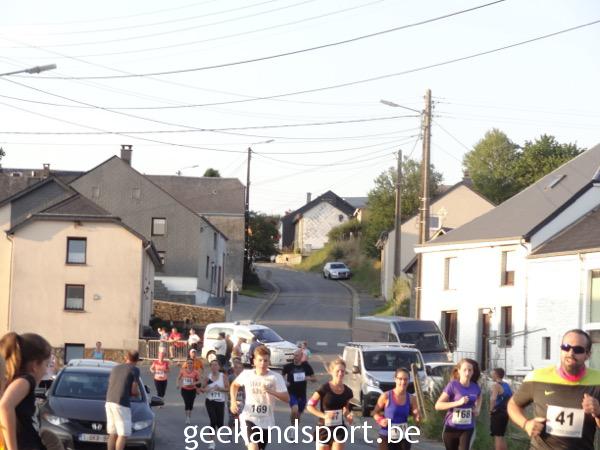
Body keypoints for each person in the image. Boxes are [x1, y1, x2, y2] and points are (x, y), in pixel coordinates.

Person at [508, 329, 600, 450]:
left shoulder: (597, 380)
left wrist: (598, 412)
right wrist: (526, 424)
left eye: (578, 349)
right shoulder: (537, 377)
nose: (570, 353)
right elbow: (513, 404)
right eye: (566, 347)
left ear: (588, 354)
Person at [230, 345, 289, 450]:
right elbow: (234, 385)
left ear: (269, 361)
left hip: (266, 420)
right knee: (253, 447)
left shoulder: (275, 377)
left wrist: (272, 392)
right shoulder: (247, 374)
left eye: (265, 360)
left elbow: (286, 398)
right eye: (260, 360)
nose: (263, 363)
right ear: (254, 361)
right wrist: (233, 402)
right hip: (249, 417)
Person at [0, 332, 52, 450]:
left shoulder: (13, 380)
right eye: (46, 364)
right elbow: (5, 406)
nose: (46, 371)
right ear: (35, 365)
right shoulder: (26, 380)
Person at [306, 358, 354, 450]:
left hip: (339, 428)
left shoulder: (348, 391)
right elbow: (310, 406)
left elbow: (346, 409)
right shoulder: (324, 389)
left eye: (342, 371)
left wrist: (348, 416)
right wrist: (324, 416)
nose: (340, 373)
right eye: (337, 371)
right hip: (324, 428)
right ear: (331, 372)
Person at [435, 358, 481, 450]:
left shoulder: (475, 387)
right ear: (459, 371)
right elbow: (438, 405)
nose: (467, 373)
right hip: (451, 427)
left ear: (473, 372)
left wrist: (477, 409)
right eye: (464, 370)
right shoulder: (452, 385)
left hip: (467, 428)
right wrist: (458, 403)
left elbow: (479, 397)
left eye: (470, 370)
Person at [373, 367, 420, 450]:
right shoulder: (386, 396)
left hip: (404, 436)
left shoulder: (412, 398)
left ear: (409, 380)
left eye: (405, 379)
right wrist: (380, 420)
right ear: (395, 379)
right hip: (386, 435)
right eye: (400, 379)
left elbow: (416, 417)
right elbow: (374, 413)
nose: (403, 382)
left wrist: (417, 417)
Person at [105, 350, 141, 450]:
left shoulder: (115, 368)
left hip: (109, 401)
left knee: (112, 433)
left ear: (126, 358)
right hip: (121, 403)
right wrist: (137, 394)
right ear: (137, 360)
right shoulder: (134, 370)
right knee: (122, 434)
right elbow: (134, 391)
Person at [199, 359, 229, 449]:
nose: (214, 367)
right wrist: (206, 389)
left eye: (216, 365)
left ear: (219, 367)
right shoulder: (208, 377)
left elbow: (228, 389)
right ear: (210, 367)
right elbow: (201, 389)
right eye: (212, 365)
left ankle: (217, 430)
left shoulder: (223, 376)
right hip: (210, 401)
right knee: (213, 421)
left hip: (220, 402)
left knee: (220, 424)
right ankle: (212, 442)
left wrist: (220, 389)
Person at [281, 348, 316, 424]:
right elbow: (282, 376)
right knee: (295, 409)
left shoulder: (306, 366)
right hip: (291, 392)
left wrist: (308, 378)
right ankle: (293, 425)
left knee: (298, 414)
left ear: (301, 356)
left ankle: (295, 424)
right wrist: (285, 382)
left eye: (297, 355)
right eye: (294, 355)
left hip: (302, 393)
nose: (295, 357)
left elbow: (314, 379)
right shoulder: (288, 366)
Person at [489, 368, 511, 450]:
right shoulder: (507, 385)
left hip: (498, 412)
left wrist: (491, 410)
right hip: (506, 412)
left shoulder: (496, 385)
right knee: (502, 436)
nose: (491, 375)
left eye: (492, 374)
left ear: (496, 375)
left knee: (497, 437)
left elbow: (493, 399)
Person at [177, 357, 201, 424]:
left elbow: (199, 381)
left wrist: (194, 383)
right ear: (186, 364)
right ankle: (187, 418)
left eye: (191, 363)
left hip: (192, 390)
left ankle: (189, 417)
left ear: (193, 364)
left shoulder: (196, 372)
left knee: (191, 404)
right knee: (187, 402)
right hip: (184, 390)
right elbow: (178, 378)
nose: (189, 364)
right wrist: (177, 384)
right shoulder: (183, 371)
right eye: (188, 363)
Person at [227, 358, 245, 427]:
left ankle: (240, 430)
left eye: (240, 368)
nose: (238, 369)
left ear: (242, 369)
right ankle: (230, 431)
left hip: (242, 400)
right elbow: (227, 388)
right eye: (237, 368)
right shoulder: (230, 377)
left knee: (241, 417)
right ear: (234, 369)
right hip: (232, 400)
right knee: (232, 418)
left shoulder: (245, 378)